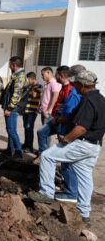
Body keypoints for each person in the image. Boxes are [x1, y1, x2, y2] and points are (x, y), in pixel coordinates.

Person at [29, 70, 105, 223]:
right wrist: (60, 120)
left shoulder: (88, 101)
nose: (74, 85)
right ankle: (84, 212)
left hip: (83, 143)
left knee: (47, 156)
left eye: (76, 83)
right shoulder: (100, 99)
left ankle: (46, 193)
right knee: (84, 176)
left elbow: (82, 127)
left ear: (83, 85)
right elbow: (72, 116)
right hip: (95, 146)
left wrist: (67, 139)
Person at [54, 65, 86, 203]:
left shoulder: (74, 94)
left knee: (67, 163)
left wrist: (64, 134)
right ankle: (75, 190)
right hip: (73, 132)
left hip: (68, 132)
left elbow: (70, 116)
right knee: (74, 164)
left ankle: (71, 192)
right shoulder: (82, 93)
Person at [37, 66, 81, 155]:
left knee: (62, 143)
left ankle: (50, 159)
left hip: (62, 121)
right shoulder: (63, 87)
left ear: (62, 75)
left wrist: (63, 130)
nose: (55, 76)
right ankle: (43, 155)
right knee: (41, 132)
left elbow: (68, 111)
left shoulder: (70, 90)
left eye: (56, 74)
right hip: (57, 118)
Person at [1, 56, 28, 158]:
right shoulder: (16, 75)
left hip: (12, 108)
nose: (9, 66)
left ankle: (18, 151)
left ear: (14, 65)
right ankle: (10, 150)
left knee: (12, 130)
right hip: (10, 107)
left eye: (10, 64)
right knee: (9, 129)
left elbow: (16, 94)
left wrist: (9, 108)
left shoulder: (20, 76)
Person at [22, 72, 42, 153]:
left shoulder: (39, 86)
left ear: (32, 79)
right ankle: (26, 144)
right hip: (26, 110)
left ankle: (29, 147)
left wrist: (32, 87)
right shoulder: (28, 86)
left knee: (29, 128)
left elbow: (34, 95)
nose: (27, 81)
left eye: (28, 80)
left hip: (32, 111)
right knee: (26, 128)